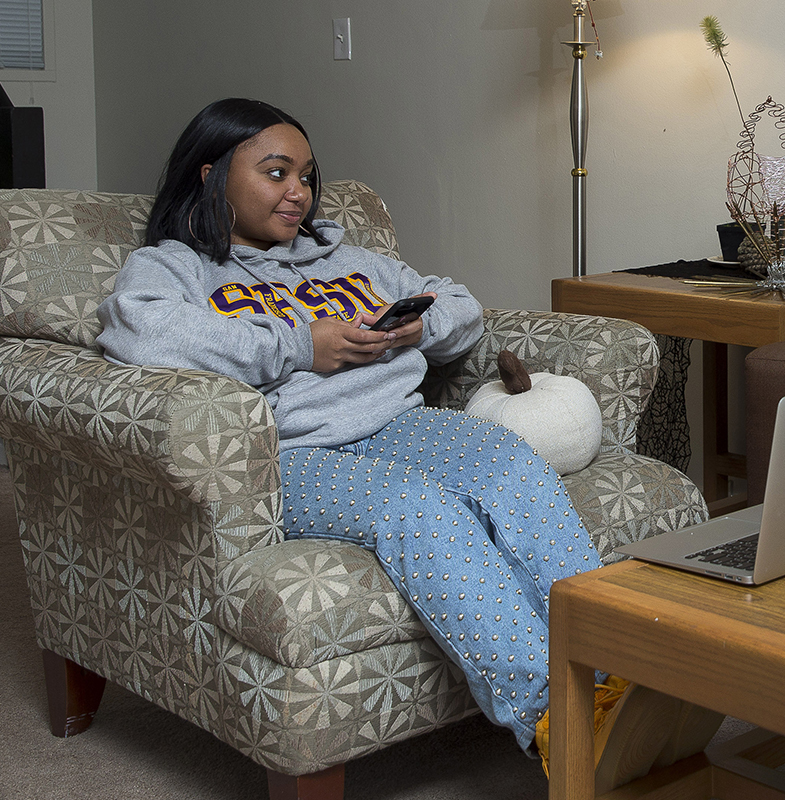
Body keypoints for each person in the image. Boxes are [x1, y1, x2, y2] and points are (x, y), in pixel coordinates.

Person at [94, 99, 696, 774]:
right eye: (276, 172)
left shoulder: (349, 260)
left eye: (307, 175)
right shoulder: (177, 267)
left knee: (506, 460)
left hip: (400, 422)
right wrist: (299, 343)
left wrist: (421, 328)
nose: (298, 192)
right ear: (211, 176)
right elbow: (137, 330)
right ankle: (557, 722)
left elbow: (458, 306)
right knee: (417, 509)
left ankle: (620, 674)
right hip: (292, 452)